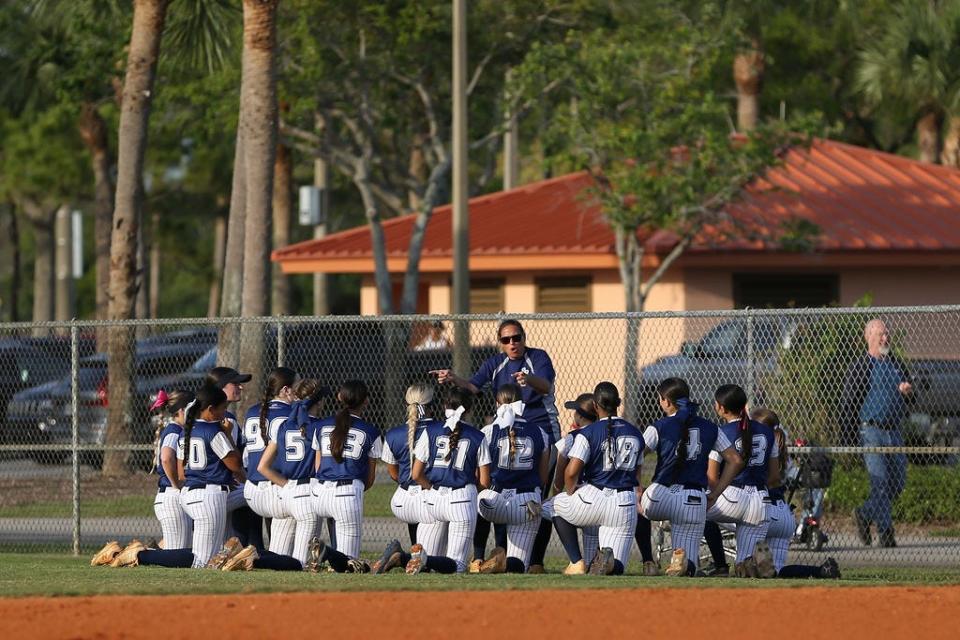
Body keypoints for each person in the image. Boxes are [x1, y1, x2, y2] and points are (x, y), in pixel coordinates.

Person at [639, 378, 744, 577]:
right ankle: (684, 562)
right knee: (688, 564)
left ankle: (648, 561)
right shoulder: (710, 427)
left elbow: (635, 456)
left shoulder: (659, 425)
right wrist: (714, 494)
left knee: (631, 506)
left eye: (660, 399)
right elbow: (735, 461)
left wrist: (637, 489)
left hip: (659, 496)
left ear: (667, 401)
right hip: (693, 499)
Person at [551, 382, 643, 576]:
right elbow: (637, 474)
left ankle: (576, 562)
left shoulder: (588, 433)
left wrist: (570, 491)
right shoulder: (636, 433)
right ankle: (609, 563)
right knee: (617, 567)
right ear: (618, 403)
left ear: (595, 405)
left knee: (555, 505)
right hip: (624, 503)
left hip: (593, 498)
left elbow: (570, 472)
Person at [430, 318, 560, 445]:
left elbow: (546, 387)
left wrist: (529, 378)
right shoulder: (494, 363)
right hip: (505, 424)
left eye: (516, 338)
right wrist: (454, 378)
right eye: (506, 340)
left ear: (523, 337)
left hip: (539, 422)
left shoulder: (538, 357)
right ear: (501, 343)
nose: (512, 343)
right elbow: (473, 387)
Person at [405, 389, 492, 574]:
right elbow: (484, 481)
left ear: (444, 406)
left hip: (433, 499)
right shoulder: (478, 436)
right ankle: (421, 559)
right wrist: (469, 492)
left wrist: (432, 488)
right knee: (458, 565)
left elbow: (416, 474)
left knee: (428, 565)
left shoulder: (430, 431)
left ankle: (403, 557)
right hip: (461, 498)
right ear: (468, 410)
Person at [842, 318, 912, 548]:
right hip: (871, 431)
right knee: (880, 483)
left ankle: (864, 513)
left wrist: (907, 392)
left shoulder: (896, 364)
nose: (885, 338)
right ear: (868, 337)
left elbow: (912, 397)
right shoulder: (861, 366)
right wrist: (848, 438)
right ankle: (886, 533)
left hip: (894, 432)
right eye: (880, 334)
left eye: (886, 333)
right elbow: (849, 403)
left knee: (897, 483)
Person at [752, 407, 841, 580]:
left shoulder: (756, 449)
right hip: (784, 516)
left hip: (759, 514)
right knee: (775, 572)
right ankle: (821, 571)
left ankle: (719, 564)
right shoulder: (781, 448)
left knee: (711, 519)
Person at [473, 383, 551, 574]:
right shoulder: (540, 432)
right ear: (521, 403)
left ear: (497, 403)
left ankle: (478, 558)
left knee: (479, 496)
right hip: (526, 505)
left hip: (493, 504)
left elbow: (480, 478)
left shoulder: (487, 431)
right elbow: (542, 478)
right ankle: (511, 563)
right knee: (519, 566)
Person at [373, 382, 448, 574]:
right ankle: (403, 558)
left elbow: (393, 473)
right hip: (430, 498)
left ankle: (406, 555)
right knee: (435, 563)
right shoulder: (444, 429)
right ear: (435, 404)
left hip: (402, 500)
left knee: (426, 554)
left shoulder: (393, 433)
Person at [308, 379, 382, 573]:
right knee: (351, 563)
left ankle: (325, 555)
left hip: (319, 494)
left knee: (345, 558)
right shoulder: (372, 431)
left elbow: (318, 466)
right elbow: (370, 478)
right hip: (348, 493)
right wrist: (357, 488)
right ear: (366, 401)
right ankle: (326, 553)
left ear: (339, 397)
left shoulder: (320, 426)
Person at [256, 378, 332, 567]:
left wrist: (287, 486)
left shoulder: (284, 425)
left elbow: (262, 466)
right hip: (308, 492)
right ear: (319, 401)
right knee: (301, 561)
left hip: (285, 494)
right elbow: (320, 467)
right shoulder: (320, 426)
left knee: (277, 557)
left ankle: (254, 562)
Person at [706, 384, 780, 578]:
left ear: (721, 407)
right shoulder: (767, 432)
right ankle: (750, 563)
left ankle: (721, 565)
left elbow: (712, 478)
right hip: (761, 502)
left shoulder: (720, 432)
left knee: (691, 510)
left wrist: (713, 496)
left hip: (730, 495)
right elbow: (774, 477)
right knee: (743, 565)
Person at [530, 393, 600, 574]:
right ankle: (592, 561)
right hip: (602, 498)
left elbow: (560, 477)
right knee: (592, 560)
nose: (574, 415)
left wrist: (557, 493)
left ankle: (541, 562)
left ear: (581, 416)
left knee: (549, 508)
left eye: (576, 412)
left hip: (578, 494)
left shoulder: (572, 437)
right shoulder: (604, 432)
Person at [241, 367, 298, 556]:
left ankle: (251, 550)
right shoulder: (293, 414)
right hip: (276, 489)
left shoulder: (251, 411)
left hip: (251, 490)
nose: (301, 391)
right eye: (297, 386)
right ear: (285, 390)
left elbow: (246, 453)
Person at [205, 366, 259, 548]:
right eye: (235, 383)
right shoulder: (224, 418)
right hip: (212, 490)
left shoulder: (195, 411)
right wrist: (248, 481)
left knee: (216, 544)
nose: (241, 387)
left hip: (192, 489)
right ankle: (255, 547)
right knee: (257, 493)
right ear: (221, 388)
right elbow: (232, 463)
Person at [149, 389, 195, 550]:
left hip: (171, 496)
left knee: (178, 550)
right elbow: (166, 457)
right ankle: (135, 556)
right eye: (192, 409)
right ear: (182, 411)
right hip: (171, 495)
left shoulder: (177, 429)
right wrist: (176, 485)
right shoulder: (175, 430)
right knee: (176, 554)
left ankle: (140, 554)